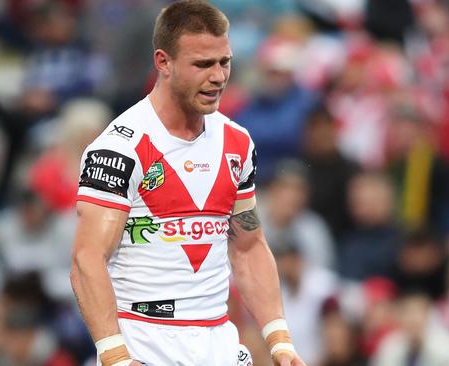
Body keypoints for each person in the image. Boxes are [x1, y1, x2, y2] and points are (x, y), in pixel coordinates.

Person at [69, 1, 306, 366]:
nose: (218, 77)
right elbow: (87, 258)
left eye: (224, 62)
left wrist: (280, 341)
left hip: (218, 344)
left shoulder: (237, 143)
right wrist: (115, 355)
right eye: (202, 65)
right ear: (163, 62)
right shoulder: (119, 149)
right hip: (143, 344)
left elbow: (248, 247)